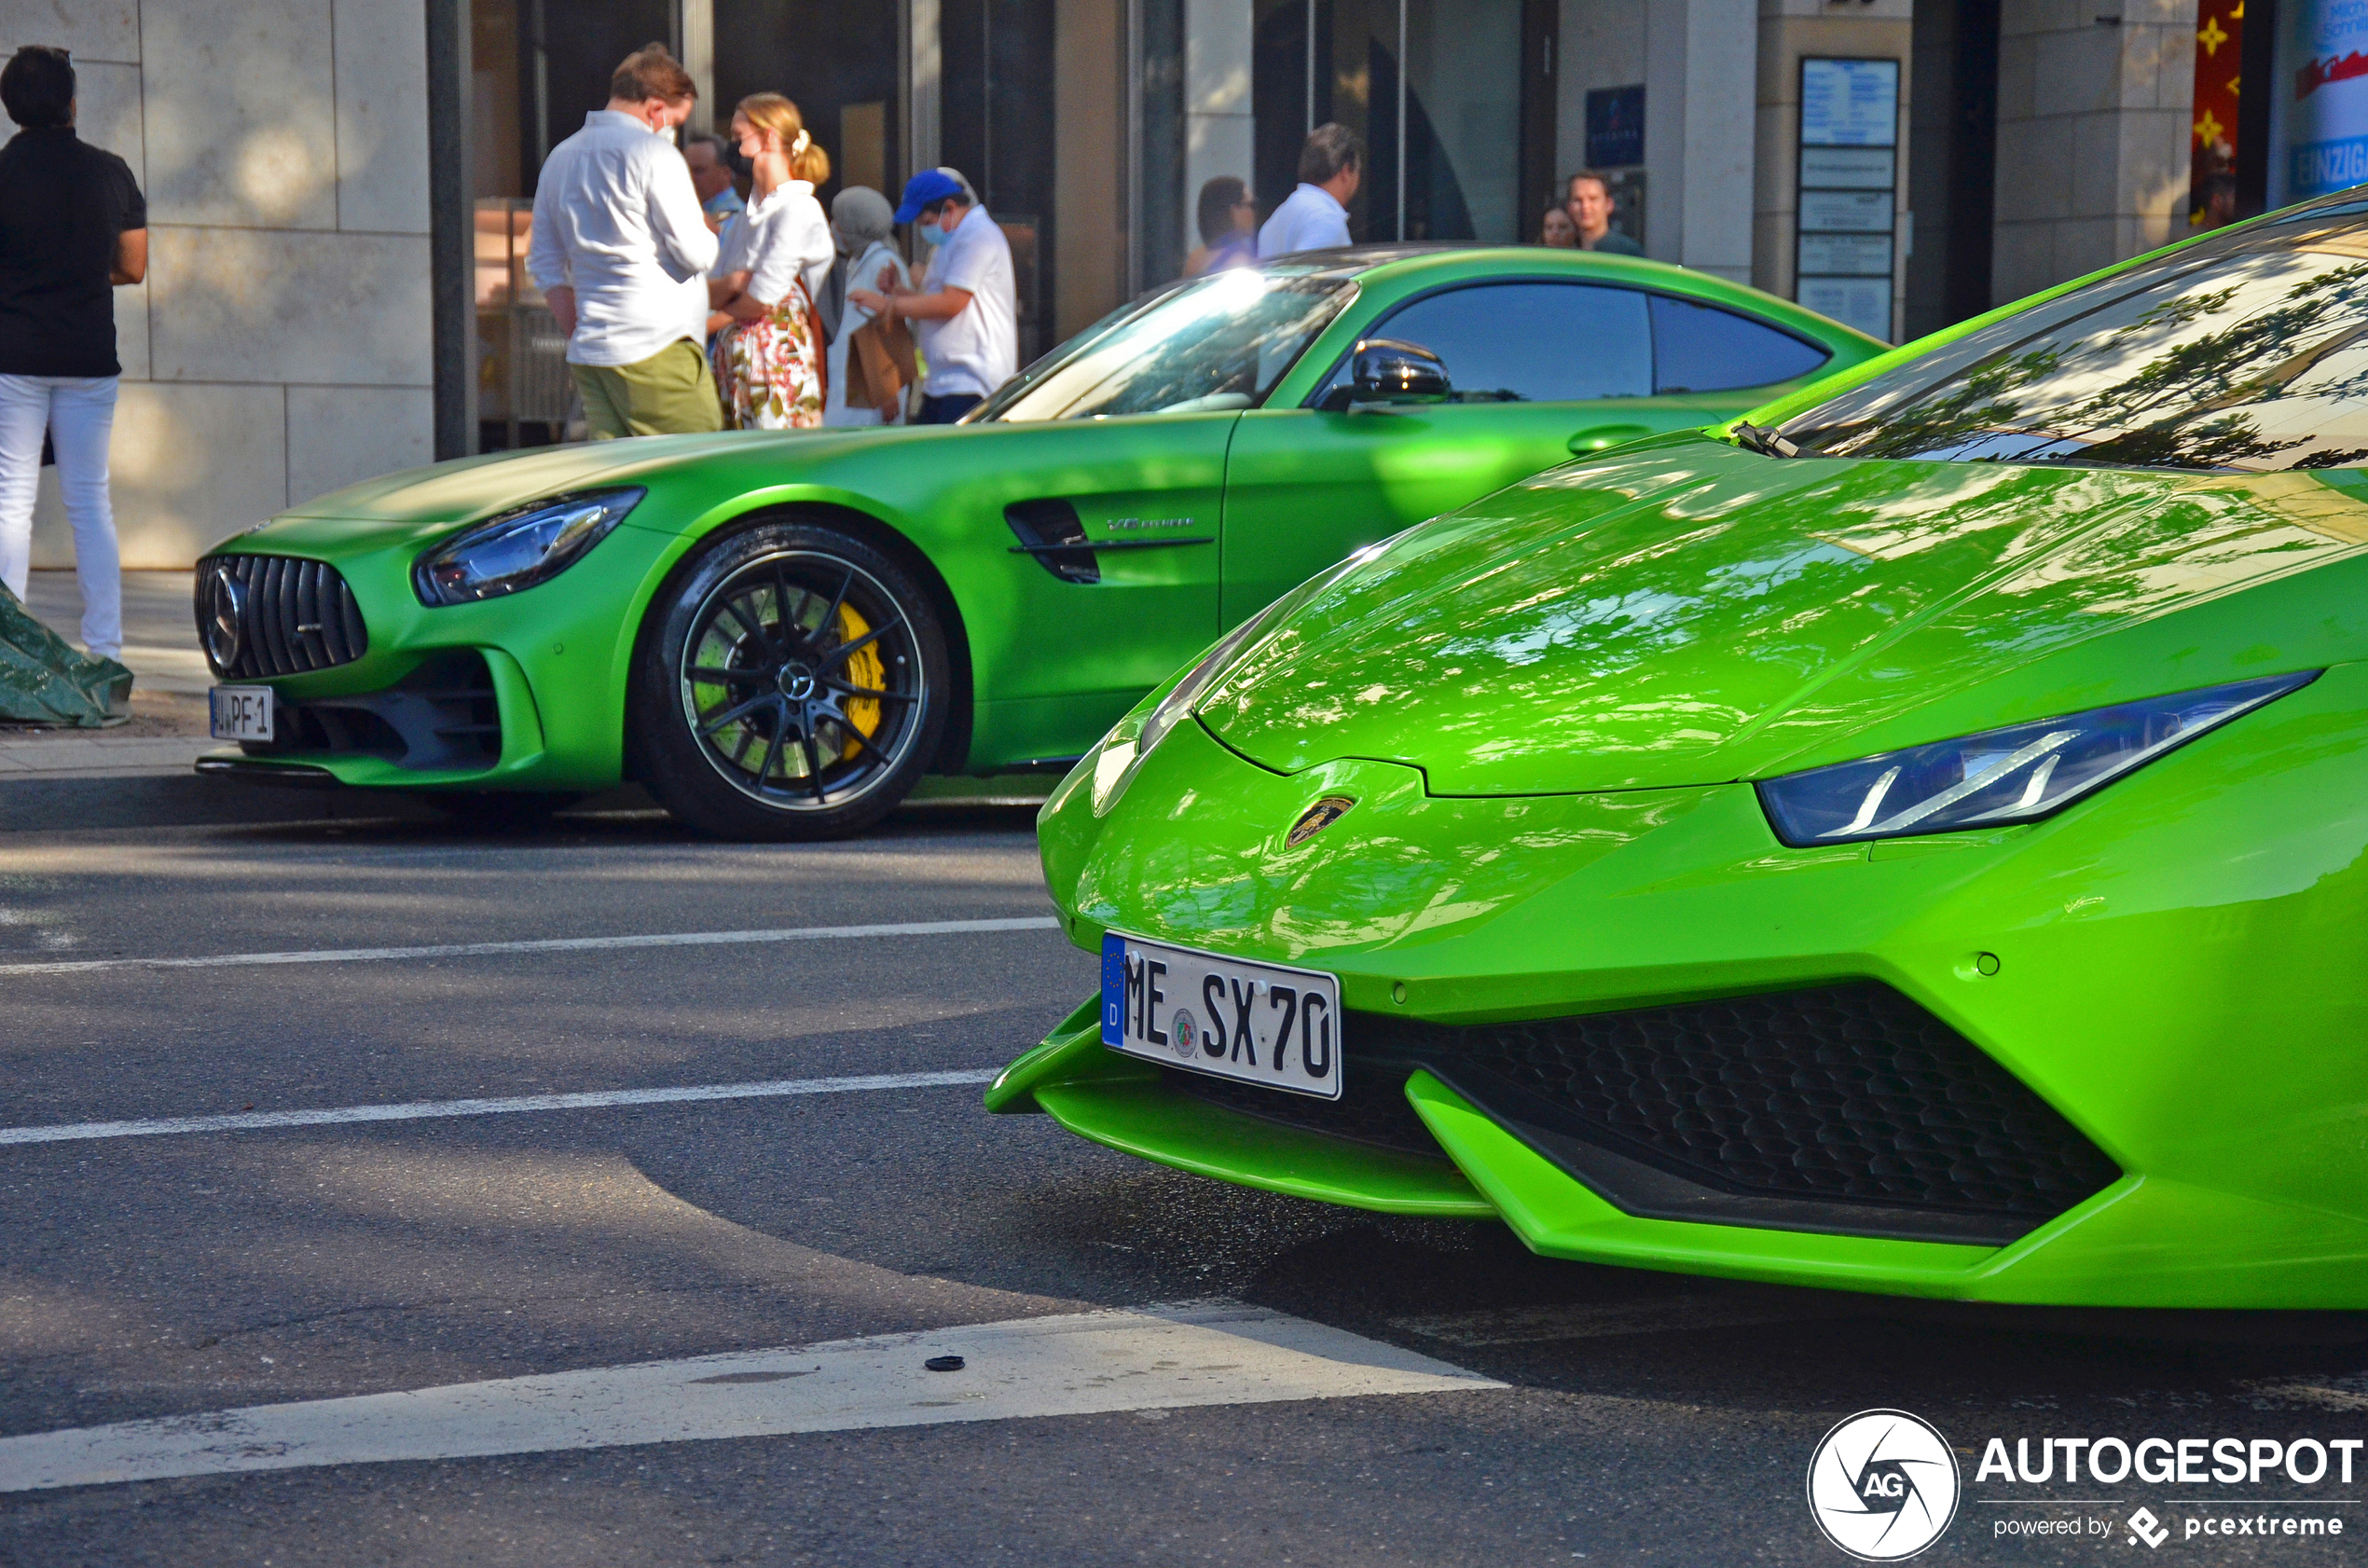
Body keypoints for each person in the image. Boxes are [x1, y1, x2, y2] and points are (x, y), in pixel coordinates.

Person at [0, 44, 142, 662]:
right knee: (91, 503)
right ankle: (106, 653)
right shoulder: (111, 172)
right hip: (88, 358)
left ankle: (9, 657)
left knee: (11, 502)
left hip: (14, 354)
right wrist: (79, 275)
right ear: (72, 101)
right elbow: (133, 267)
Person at [526, 43, 721, 440]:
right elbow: (696, 253)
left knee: (619, 485)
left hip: (593, 353)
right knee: (694, 474)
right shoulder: (654, 153)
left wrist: (580, 329)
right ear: (654, 109)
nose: (673, 132)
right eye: (675, 121)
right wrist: (710, 232)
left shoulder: (560, 157)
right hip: (659, 347)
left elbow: (544, 262)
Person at [847, 168, 1015, 424]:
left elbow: (951, 303)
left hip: (972, 379)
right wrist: (899, 292)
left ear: (949, 207)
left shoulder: (978, 236)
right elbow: (933, 300)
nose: (924, 231)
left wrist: (888, 305)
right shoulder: (948, 242)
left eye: (926, 223)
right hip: (941, 379)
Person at [706, 94, 833, 430]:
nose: (732, 147)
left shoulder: (798, 208)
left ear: (770, 137)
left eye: (738, 137)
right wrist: (734, 285)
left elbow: (761, 299)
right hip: (735, 364)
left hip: (777, 363)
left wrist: (732, 293)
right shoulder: (744, 219)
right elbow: (713, 291)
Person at [822, 186, 909, 427]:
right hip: (855, 385)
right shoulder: (859, 262)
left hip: (873, 393)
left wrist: (888, 392)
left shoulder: (882, 263)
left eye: (839, 222)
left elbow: (891, 327)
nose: (835, 228)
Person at [1258, 124, 1359, 257]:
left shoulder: (1279, 216)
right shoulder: (1325, 218)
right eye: (1358, 170)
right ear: (1346, 171)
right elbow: (1308, 274)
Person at [1186, 176, 1258, 275]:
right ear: (1233, 211)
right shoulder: (1239, 261)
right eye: (1251, 205)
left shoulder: (1194, 258)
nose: (1254, 212)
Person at [682, 131, 744, 241]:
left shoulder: (736, 221)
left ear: (726, 173)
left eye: (699, 171)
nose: (690, 178)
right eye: (686, 171)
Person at [1565, 170, 1643, 255]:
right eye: (1578, 200)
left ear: (1608, 205)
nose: (1585, 206)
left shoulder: (1628, 251)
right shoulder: (1565, 253)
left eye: (1593, 199)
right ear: (1569, 207)